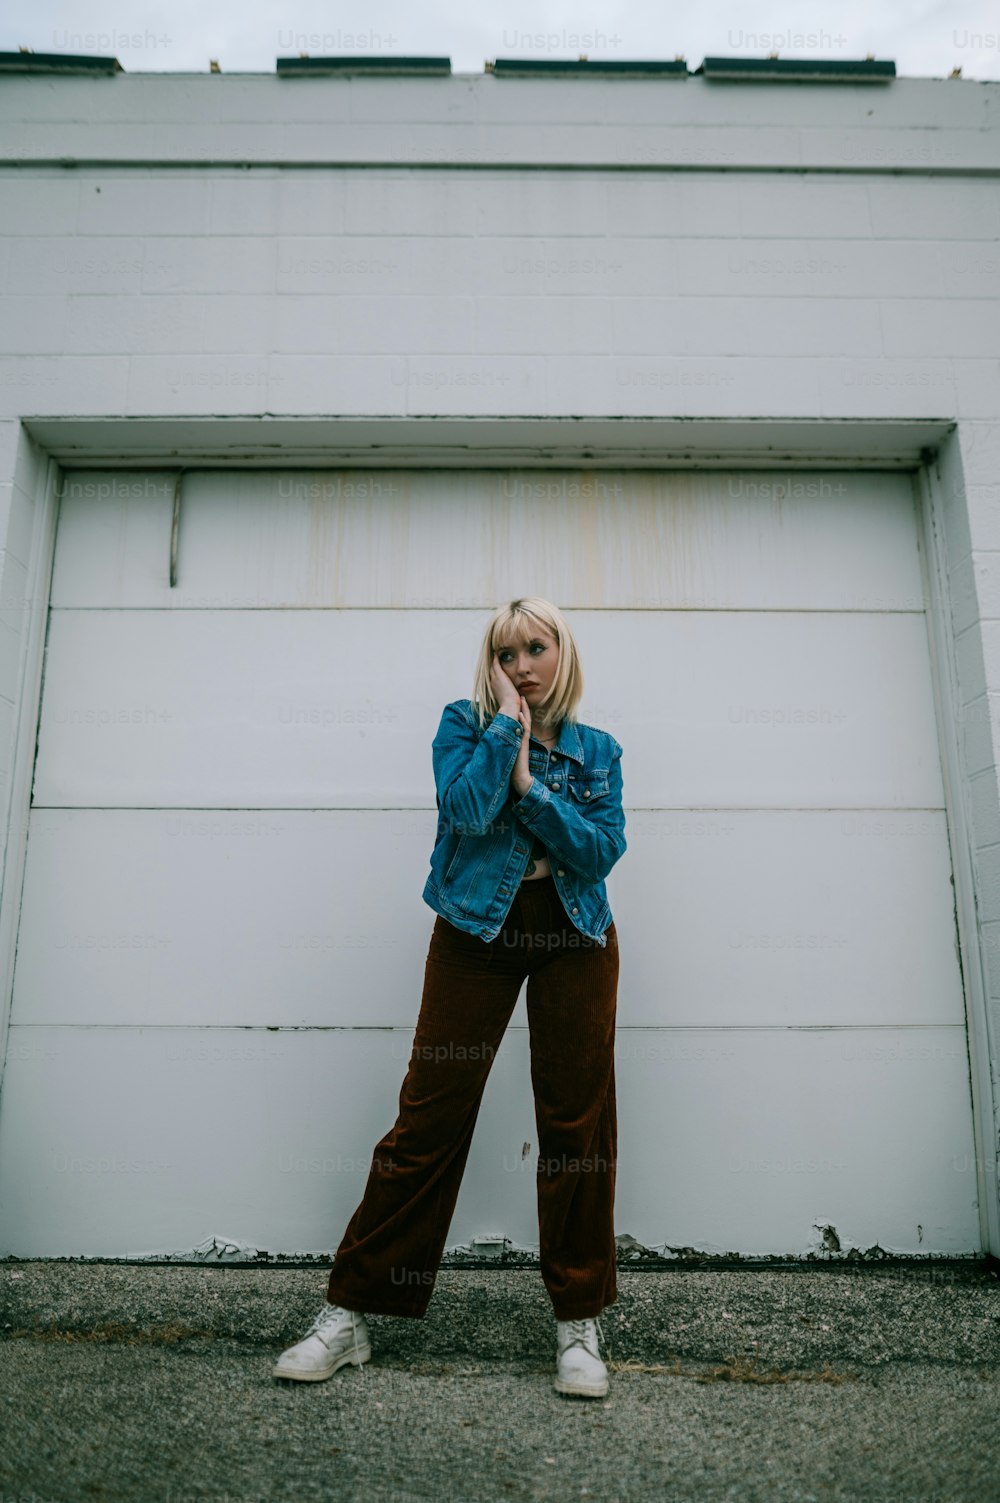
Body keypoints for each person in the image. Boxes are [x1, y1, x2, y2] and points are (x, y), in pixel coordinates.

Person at [272, 596, 627, 1397]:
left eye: (536, 647)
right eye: (506, 654)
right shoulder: (463, 727)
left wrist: (533, 785)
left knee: (576, 1120)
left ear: (562, 651)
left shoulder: (598, 748)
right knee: (429, 1113)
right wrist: (507, 729)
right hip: (476, 929)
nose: (523, 665)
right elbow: (464, 810)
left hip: (575, 932)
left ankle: (578, 1321)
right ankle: (350, 1312)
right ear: (492, 666)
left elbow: (601, 851)